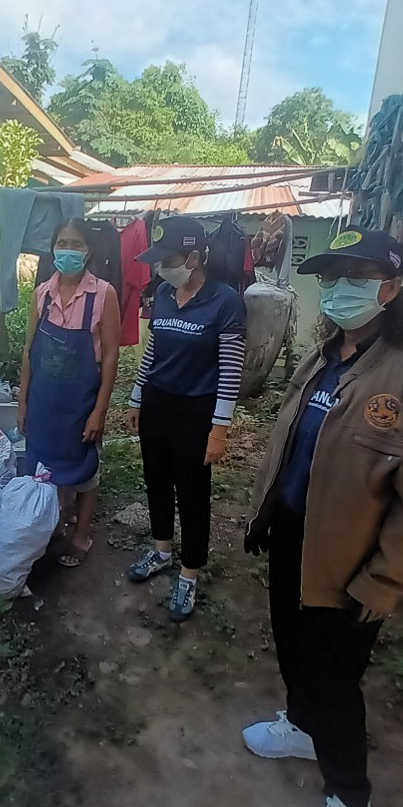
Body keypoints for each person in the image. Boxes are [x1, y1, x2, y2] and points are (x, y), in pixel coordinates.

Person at [241, 228, 403, 807]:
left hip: (350, 563)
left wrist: (386, 580)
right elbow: (291, 446)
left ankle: (350, 805)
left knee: (334, 682)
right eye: (331, 278)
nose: (339, 290)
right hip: (295, 536)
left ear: (391, 288)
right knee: (293, 647)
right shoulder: (324, 358)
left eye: (356, 278)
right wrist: (264, 516)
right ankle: (300, 725)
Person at [126, 216, 247, 621]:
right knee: (157, 480)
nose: (161, 267)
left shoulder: (225, 301)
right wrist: (136, 397)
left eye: (168, 259)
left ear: (194, 257)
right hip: (157, 404)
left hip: (195, 411)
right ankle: (161, 551)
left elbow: (230, 370)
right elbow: (153, 351)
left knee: (192, 493)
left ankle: (189, 573)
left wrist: (220, 428)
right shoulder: (164, 292)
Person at [18, 218, 121, 567]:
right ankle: (57, 524)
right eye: (62, 243)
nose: (68, 250)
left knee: (84, 471)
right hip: (44, 400)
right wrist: (23, 402)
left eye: (76, 244)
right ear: (53, 247)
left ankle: (81, 536)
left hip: (81, 403)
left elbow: (111, 357)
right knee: (46, 465)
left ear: (88, 250)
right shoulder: (41, 295)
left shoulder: (103, 294)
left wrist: (99, 411)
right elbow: (29, 352)